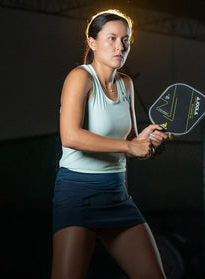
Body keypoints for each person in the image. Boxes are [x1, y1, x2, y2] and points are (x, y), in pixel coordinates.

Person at [51, 10, 173, 279]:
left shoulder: (126, 84)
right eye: (112, 38)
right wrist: (130, 147)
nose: (120, 46)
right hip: (78, 194)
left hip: (117, 195)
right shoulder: (79, 77)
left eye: (126, 40)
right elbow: (70, 136)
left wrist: (146, 142)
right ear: (92, 43)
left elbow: (130, 142)